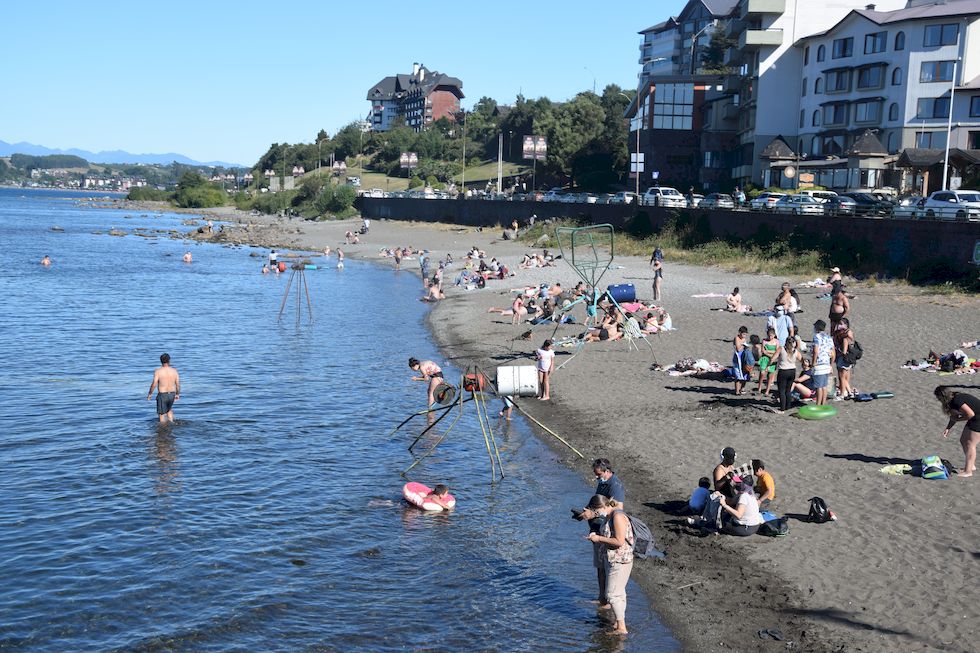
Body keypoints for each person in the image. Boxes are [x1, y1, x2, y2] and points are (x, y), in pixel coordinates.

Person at [578, 459, 626, 610]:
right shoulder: (602, 483)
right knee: (599, 566)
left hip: (606, 532)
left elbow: (617, 509)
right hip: (597, 529)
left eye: (598, 475)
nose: (597, 478)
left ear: (607, 471)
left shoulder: (615, 486)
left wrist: (592, 514)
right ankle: (602, 598)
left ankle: (608, 601)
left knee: (606, 566)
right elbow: (598, 504)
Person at [585, 494, 634, 635]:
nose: (596, 514)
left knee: (612, 595)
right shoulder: (609, 515)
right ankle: (618, 623)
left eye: (596, 511)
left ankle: (622, 628)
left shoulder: (617, 516)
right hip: (614, 558)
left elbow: (619, 541)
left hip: (620, 560)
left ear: (601, 507)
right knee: (619, 593)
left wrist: (598, 538)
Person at [936, 386, 980, 477]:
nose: (938, 400)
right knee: (963, 440)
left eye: (938, 398)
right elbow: (953, 417)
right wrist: (948, 428)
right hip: (975, 418)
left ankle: (968, 471)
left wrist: (959, 419)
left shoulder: (957, 400)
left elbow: (970, 414)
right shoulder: (952, 399)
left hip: (977, 419)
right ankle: (970, 466)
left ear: (942, 397)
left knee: (970, 444)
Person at [146, 353, 180, 424]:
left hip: (162, 395)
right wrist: (177, 394)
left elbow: (154, 384)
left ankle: (163, 429)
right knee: (169, 410)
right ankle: (172, 424)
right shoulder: (174, 371)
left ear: (160, 361)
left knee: (161, 414)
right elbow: (177, 384)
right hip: (172, 394)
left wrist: (150, 394)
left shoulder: (158, 371)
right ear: (169, 360)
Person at [775, 336, 802, 412]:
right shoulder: (795, 351)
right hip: (792, 371)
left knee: (782, 390)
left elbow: (774, 357)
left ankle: (782, 408)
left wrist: (768, 365)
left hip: (783, 370)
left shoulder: (781, 348)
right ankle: (788, 406)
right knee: (788, 390)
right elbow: (802, 360)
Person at [811, 320, 835, 405]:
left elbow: (816, 351)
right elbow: (833, 353)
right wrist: (831, 365)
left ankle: (818, 404)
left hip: (819, 364)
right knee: (824, 386)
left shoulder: (816, 337)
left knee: (818, 387)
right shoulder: (829, 337)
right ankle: (823, 404)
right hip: (827, 364)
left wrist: (813, 363)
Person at [834, 317, 857, 400]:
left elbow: (844, 350)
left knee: (842, 377)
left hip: (844, 358)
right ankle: (849, 392)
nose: (839, 326)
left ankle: (843, 393)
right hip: (849, 358)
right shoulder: (845, 333)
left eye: (841, 324)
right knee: (845, 376)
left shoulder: (845, 336)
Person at [757, 327, 779, 396]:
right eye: (769, 335)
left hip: (773, 360)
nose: (770, 337)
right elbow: (763, 351)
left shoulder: (776, 341)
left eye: (772, 335)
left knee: (770, 375)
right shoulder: (764, 341)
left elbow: (777, 352)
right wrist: (772, 353)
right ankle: (759, 388)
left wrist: (768, 352)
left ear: (774, 335)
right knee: (762, 373)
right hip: (765, 359)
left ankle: (767, 390)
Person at [732, 326, 753, 395]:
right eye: (743, 334)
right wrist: (744, 345)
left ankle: (742, 388)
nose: (744, 335)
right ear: (740, 333)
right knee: (737, 375)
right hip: (737, 358)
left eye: (745, 334)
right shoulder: (737, 338)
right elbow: (738, 349)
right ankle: (737, 391)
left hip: (743, 358)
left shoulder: (744, 339)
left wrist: (745, 346)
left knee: (745, 373)